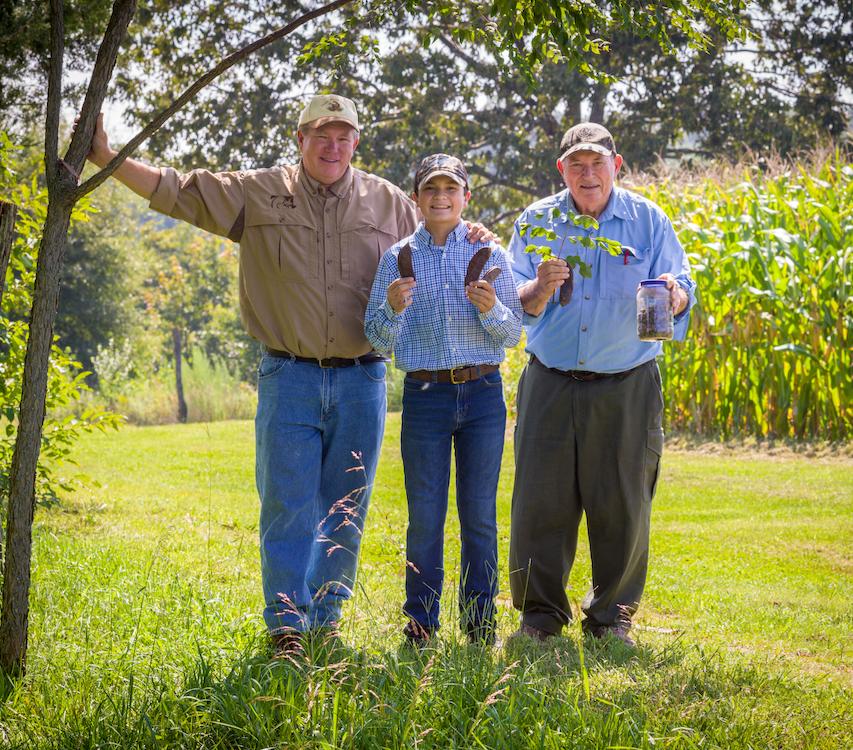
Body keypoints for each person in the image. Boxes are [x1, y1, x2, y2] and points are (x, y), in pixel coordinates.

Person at [78, 95, 494, 654]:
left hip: (361, 378)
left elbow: (442, 221)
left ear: (355, 143)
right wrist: (106, 157)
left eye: (344, 135)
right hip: (288, 375)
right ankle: (286, 624)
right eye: (322, 134)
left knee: (346, 506)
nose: (333, 145)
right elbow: (178, 191)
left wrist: (480, 235)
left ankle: (326, 618)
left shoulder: (387, 201)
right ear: (300, 139)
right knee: (287, 501)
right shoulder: (257, 191)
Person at [506, 123, 696, 646]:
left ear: (617, 164)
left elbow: (680, 281)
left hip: (627, 381)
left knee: (624, 502)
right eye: (576, 164)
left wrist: (676, 296)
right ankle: (539, 618)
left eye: (597, 163)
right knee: (540, 503)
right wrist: (538, 286)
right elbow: (511, 301)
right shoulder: (537, 221)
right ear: (561, 169)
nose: (587, 174)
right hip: (549, 380)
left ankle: (612, 618)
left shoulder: (647, 220)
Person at [365, 154, 522, 649]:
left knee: (479, 515)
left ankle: (479, 629)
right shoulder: (398, 257)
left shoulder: (489, 252)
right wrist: (390, 308)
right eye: (431, 189)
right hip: (425, 396)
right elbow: (375, 336)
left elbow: (514, 332)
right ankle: (421, 627)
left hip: (483, 395)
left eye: (451, 189)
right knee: (425, 516)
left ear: (465, 197)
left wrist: (493, 308)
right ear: (417, 198)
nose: (441, 197)